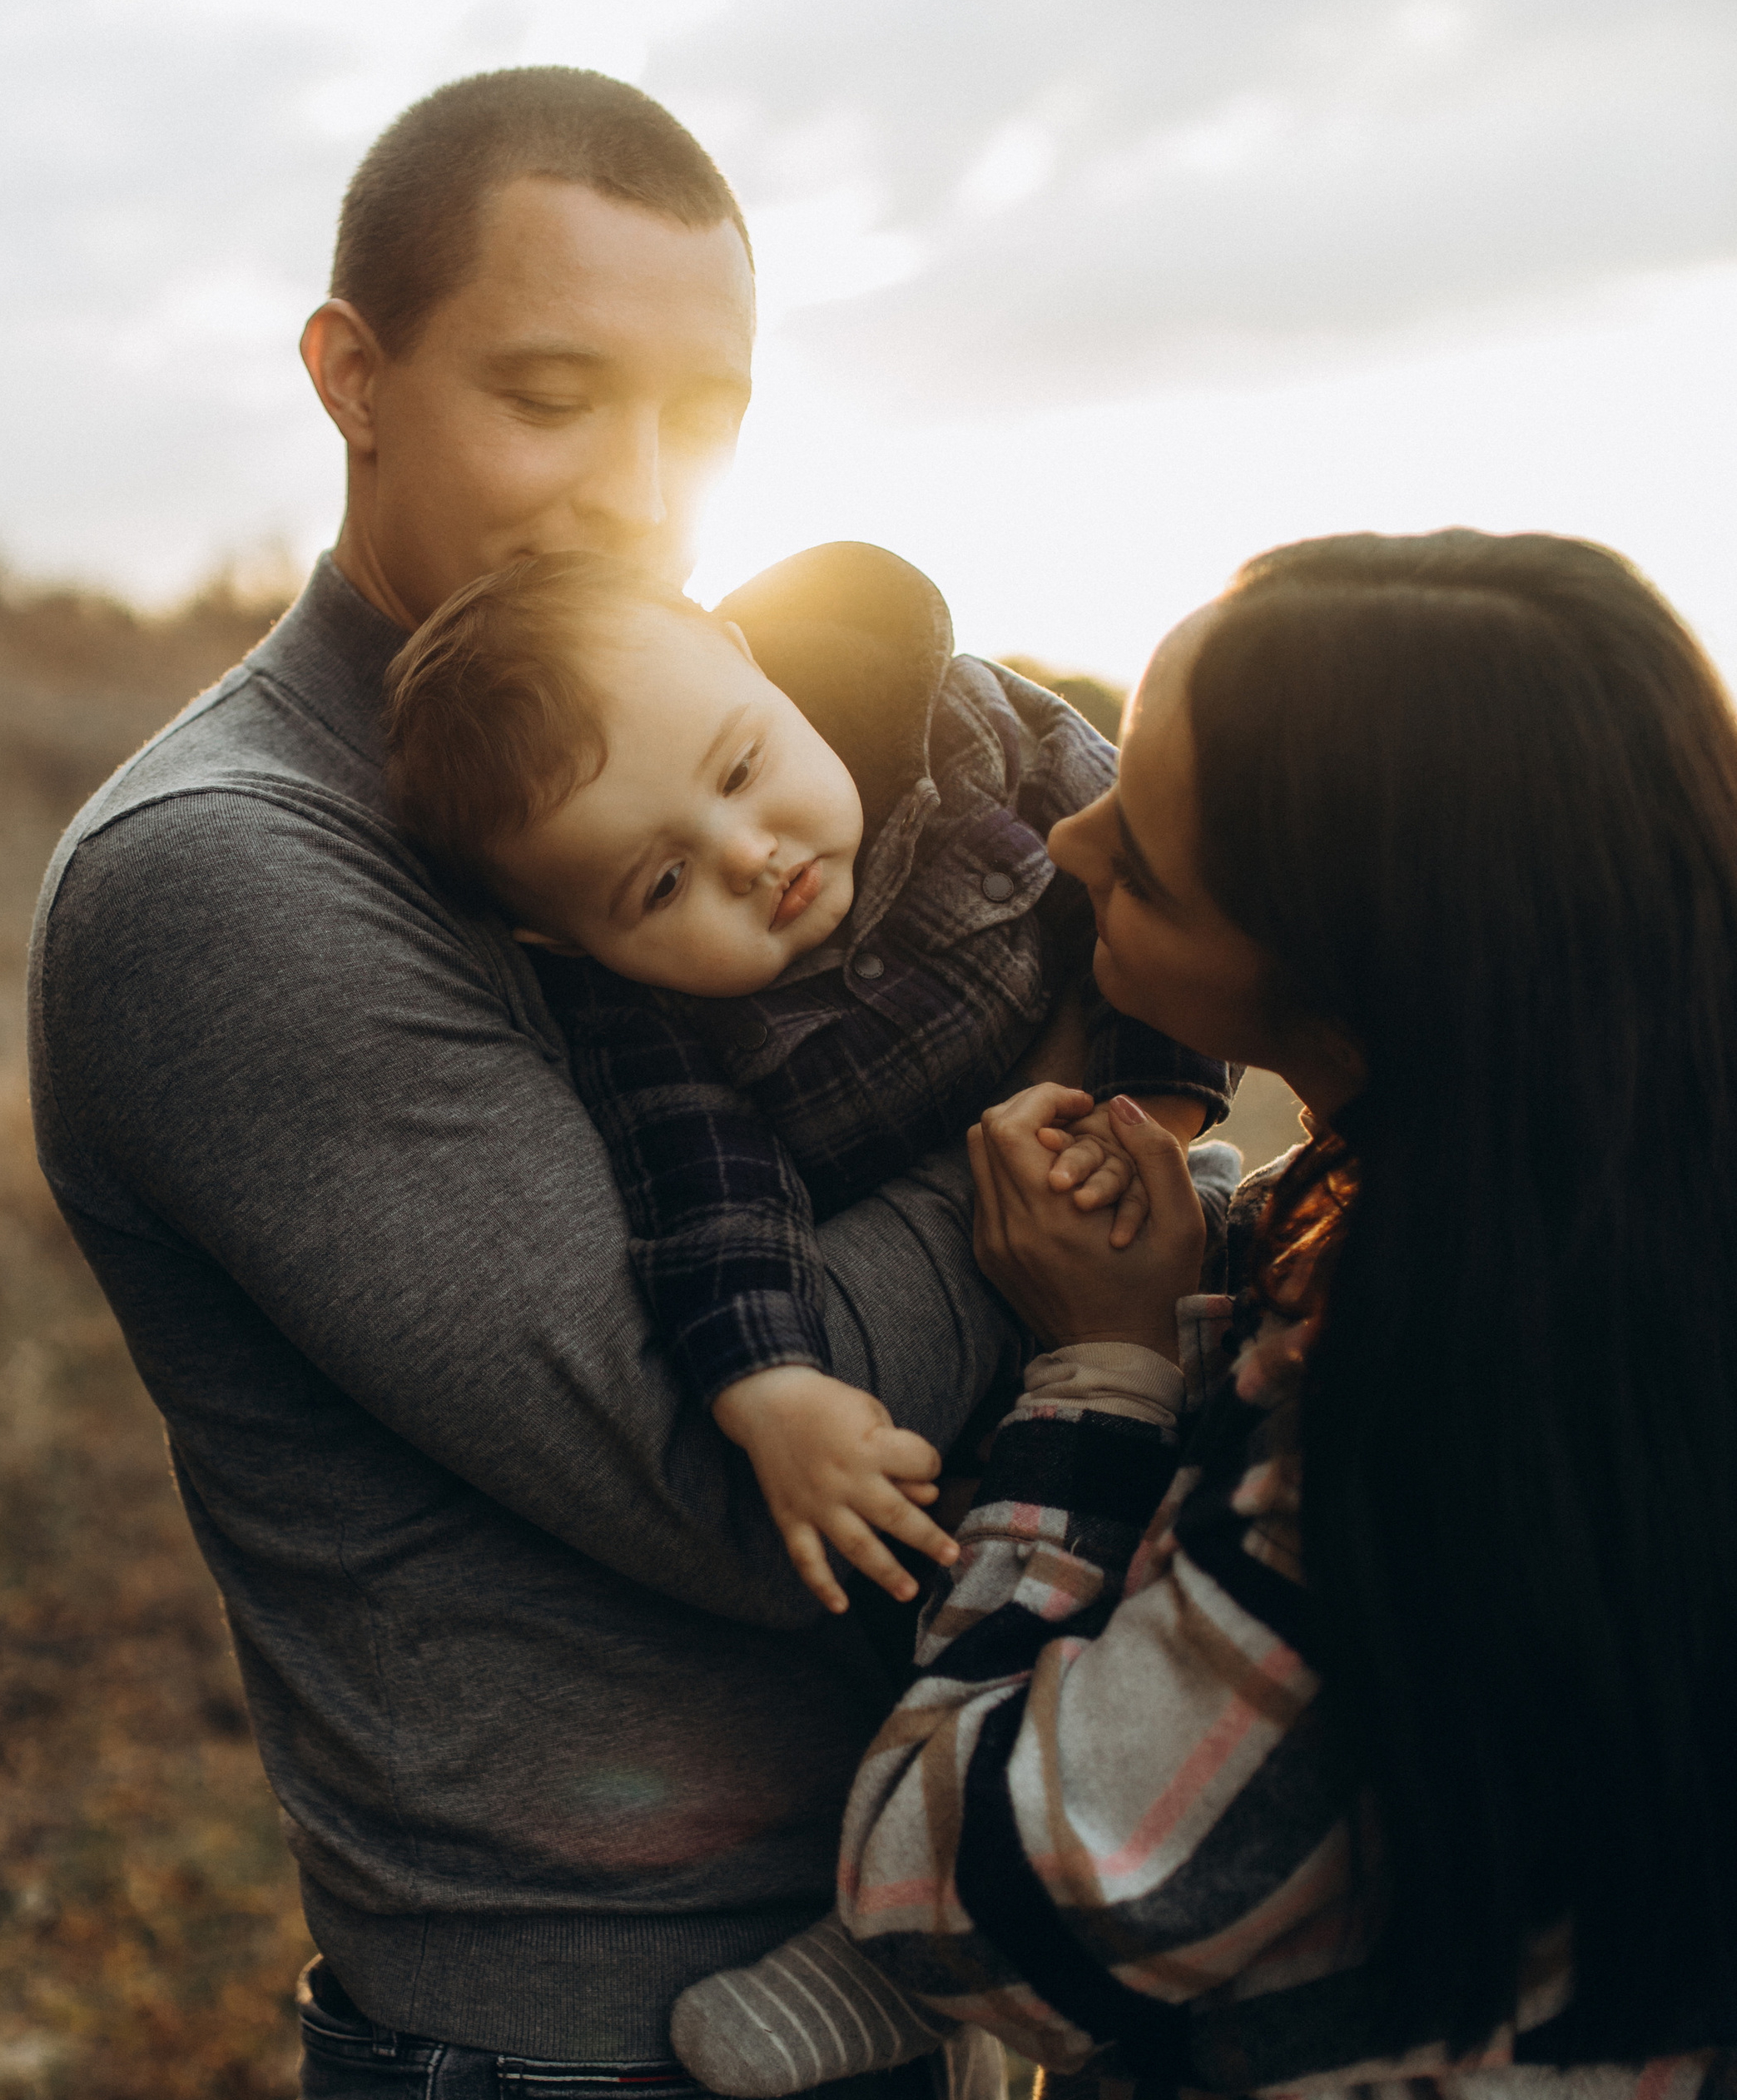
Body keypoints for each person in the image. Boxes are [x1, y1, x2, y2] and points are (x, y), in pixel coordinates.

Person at [29, 66, 1056, 2100]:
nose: (635, 482)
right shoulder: (235, 881)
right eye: (550, 390)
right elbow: (734, 1483)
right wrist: (1098, 1133)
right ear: (350, 369)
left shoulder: (726, 739)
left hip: (891, 2006)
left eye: (699, 409)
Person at [793, 529, 1737, 2100]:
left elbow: (974, 1885)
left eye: (1162, 859)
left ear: (1364, 975)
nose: (1074, 832)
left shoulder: (1443, 1424)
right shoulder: (1619, 1283)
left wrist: (1100, 1389)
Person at [381, 547, 1232, 1618]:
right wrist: (774, 1390)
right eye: (663, 882)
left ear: (750, 663)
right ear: (564, 940)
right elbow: (712, 1201)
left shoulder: (969, 732)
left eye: (739, 770)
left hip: (1170, 1208)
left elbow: (1158, 898)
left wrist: (1148, 1117)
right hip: (986, 1389)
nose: (747, 853)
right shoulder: (649, 1023)